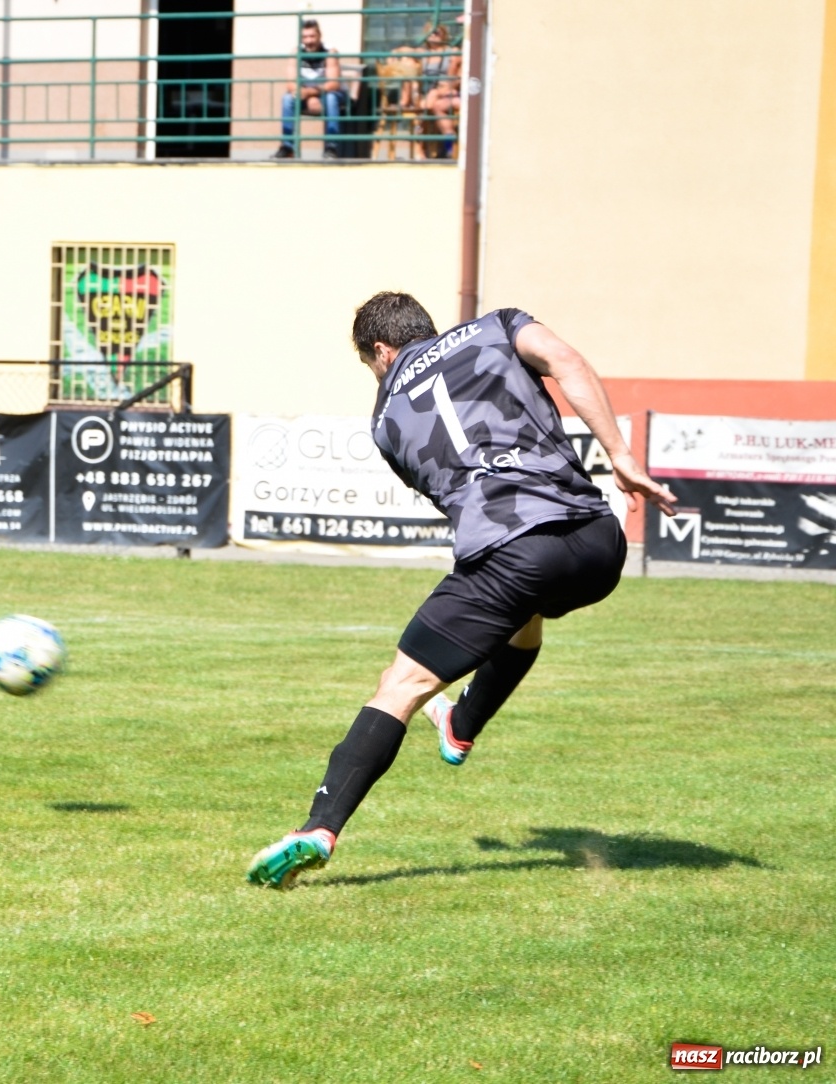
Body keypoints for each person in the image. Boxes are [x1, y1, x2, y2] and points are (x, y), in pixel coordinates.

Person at [246, 293, 677, 889]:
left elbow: (451, 488)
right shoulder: (497, 327)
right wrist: (621, 455)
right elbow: (568, 361)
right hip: (598, 542)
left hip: (512, 552)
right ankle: (462, 724)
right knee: (525, 609)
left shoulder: (385, 421)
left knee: (401, 687)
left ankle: (318, 827)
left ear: (380, 350)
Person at [274, 19, 347, 159]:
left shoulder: (330, 51)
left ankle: (331, 148)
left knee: (331, 98)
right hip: (307, 95)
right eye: (305, 37)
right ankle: (287, 147)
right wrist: (304, 94)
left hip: (327, 94)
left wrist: (309, 92)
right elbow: (290, 83)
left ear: (320, 36)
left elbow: (333, 84)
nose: (308, 41)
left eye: (312, 36)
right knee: (287, 98)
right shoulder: (296, 52)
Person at [417, 24, 462, 158]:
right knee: (432, 106)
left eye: (437, 32)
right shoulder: (422, 53)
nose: (433, 35)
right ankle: (447, 148)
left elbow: (458, 76)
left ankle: (448, 148)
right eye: (430, 32)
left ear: (444, 34)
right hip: (428, 94)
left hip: (446, 91)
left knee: (426, 109)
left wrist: (446, 88)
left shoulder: (452, 52)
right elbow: (400, 51)